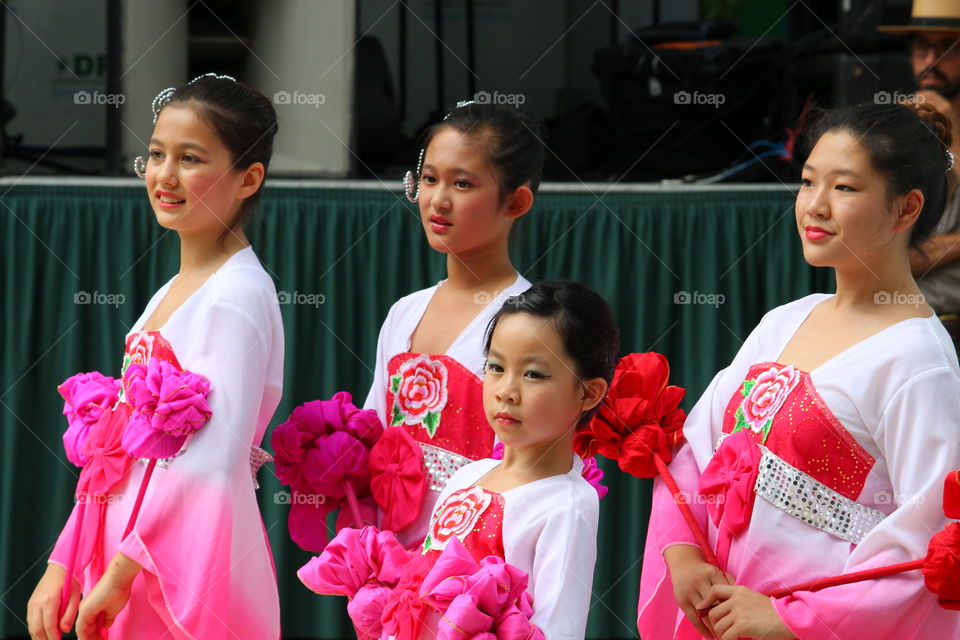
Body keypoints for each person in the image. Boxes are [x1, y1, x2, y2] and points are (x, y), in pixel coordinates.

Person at [638, 101, 960, 640]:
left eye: (845, 188)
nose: (815, 205)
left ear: (906, 210)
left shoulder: (918, 362)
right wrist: (686, 553)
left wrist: (791, 619)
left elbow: (928, 546)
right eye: (808, 181)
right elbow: (697, 447)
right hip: (724, 611)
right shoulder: (785, 321)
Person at [26, 74, 283, 640]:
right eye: (156, 155)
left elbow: (211, 460)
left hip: (172, 567)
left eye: (190, 158)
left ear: (249, 178)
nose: (164, 175)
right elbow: (114, 452)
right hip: (126, 550)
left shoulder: (237, 294)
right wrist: (63, 560)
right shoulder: (170, 293)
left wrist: (121, 573)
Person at [304, 280, 617, 639]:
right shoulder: (468, 476)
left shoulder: (566, 503)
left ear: (589, 392)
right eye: (496, 367)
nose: (506, 391)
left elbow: (560, 629)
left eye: (533, 374)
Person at [364, 101, 543, 547]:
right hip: (390, 557)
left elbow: (536, 464)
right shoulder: (405, 312)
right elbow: (374, 431)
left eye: (462, 184)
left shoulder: (532, 319)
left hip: (477, 563)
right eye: (429, 179)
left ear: (516, 201)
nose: (437, 200)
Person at [881, 0, 960, 345]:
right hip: (906, 333)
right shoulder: (893, 136)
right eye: (922, 48)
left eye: (946, 48)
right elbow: (893, 254)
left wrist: (953, 132)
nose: (931, 61)